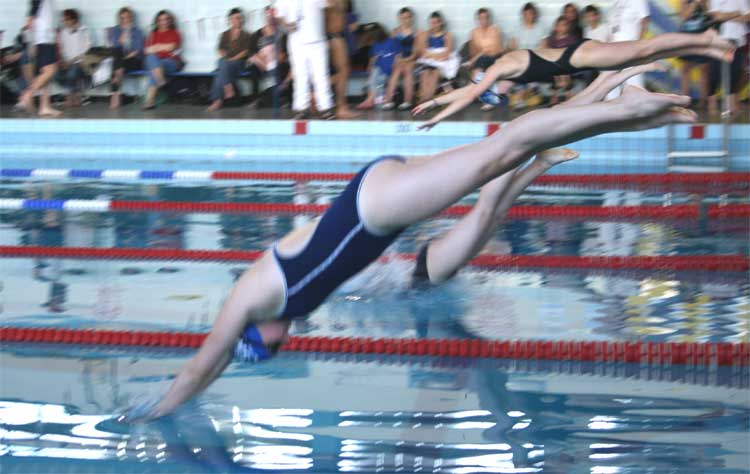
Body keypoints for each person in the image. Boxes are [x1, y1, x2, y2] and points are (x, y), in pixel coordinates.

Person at [121, 66, 698, 422]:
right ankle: (617, 105)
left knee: (503, 148)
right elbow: (213, 366)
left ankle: (624, 106)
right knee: (504, 155)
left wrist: (147, 415)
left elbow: (200, 367)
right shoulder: (275, 302)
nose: (284, 342)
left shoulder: (252, 297)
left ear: (256, 336)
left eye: (271, 348)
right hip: (376, 199)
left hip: (376, 208)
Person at [412, 29, 735, 128]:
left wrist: (437, 120)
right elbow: (468, 91)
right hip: (578, 57)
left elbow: (471, 94)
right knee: (643, 55)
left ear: (485, 71)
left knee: (645, 48)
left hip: (581, 56)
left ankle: (705, 38)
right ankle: (708, 49)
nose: (488, 88)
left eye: (484, 82)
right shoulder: (499, 71)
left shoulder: (498, 68)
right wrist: (432, 102)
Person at [276, 0, 335, 120]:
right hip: (296, 42)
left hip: (318, 41)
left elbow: (330, 4)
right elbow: (279, 17)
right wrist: (286, 26)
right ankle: (301, 109)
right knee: (300, 76)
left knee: (321, 76)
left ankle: (326, 109)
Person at [17, 0, 61, 117]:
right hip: (43, 39)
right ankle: (28, 94)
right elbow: (30, 19)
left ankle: (44, 107)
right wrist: (32, 43)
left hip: (47, 39)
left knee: (46, 75)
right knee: (50, 70)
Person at [707, 0, 749, 115]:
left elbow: (747, 17)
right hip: (719, 40)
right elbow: (716, 17)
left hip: (737, 41)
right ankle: (712, 103)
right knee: (715, 72)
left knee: (735, 72)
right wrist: (737, 13)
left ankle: (730, 106)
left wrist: (726, 16)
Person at [207, 8, 251, 112]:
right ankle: (228, 88)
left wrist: (233, 58)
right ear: (230, 20)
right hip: (226, 62)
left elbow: (246, 51)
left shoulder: (247, 35)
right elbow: (220, 49)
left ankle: (217, 101)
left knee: (221, 67)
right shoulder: (224, 34)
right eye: (235, 18)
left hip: (240, 62)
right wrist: (226, 57)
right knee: (221, 63)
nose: (238, 20)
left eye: (239, 18)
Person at [247, 5, 289, 107]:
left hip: (276, 62)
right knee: (253, 69)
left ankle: (276, 98)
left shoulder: (282, 34)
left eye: (272, 16)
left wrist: (273, 63)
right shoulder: (257, 34)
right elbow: (252, 53)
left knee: (283, 68)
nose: (270, 18)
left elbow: (284, 54)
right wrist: (264, 64)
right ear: (265, 17)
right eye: (268, 15)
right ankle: (256, 98)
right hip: (261, 63)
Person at [143, 10, 183, 110]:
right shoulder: (152, 34)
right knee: (151, 59)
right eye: (161, 20)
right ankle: (161, 81)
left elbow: (172, 47)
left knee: (154, 68)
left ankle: (149, 101)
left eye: (166, 19)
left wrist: (156, 47)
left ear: (170, 20)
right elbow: (146, 51)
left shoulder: (175, 33)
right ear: (157, 22)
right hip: (155, 62)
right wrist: (162, 47)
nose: (164, 22)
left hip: (171, 62)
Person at [466, 8, 505, 111]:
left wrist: (482, 52)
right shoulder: (474, 32)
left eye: (486, 17)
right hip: (481, 59)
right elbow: (472, 52)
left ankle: (487, 100)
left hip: (495, 57)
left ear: (489, 18)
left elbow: (497, 49)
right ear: (478, 19)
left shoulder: (495, 29)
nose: (484, 20)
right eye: (481, 18)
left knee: (481, 68)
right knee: (477, 72)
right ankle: (485, 99)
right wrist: (481, 53)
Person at [326, 0, 359, 118]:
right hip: (333, 36)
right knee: (344, 71)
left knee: (344, 72)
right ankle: (341, 107)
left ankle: (318, 91)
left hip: (337, 36)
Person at [608, 0, 650, 93]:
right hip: (614, 50)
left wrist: (639, 45)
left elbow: (645, 20)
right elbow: (613, 27)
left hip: (631, 49)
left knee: (633, 84)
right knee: (612, 86)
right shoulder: (616, 2)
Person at [416, 11, 458, 104]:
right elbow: (422, 52)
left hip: (443, 62)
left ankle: (428, 101)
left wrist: (431, 55)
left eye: (436, 22)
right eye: (432, 23)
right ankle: (423, 100)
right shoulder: (426, 34)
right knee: (425, 73)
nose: (434, 25)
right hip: (429, 61)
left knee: (435, 73)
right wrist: (433, 55)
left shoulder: (448, 35)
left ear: (441, 22)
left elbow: (447, 53)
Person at [381, 7, 418, 111]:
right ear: (400, 19)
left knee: (408, 70)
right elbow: (392, 49)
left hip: (412, 58)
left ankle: (408, 101)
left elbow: (416, 52)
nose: (406, 20)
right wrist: (397, 59)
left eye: (408, 17)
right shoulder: (395, 32)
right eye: (403, 18)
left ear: (412, 18)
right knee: (396, 71)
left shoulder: (417, 32)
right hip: (399, 58)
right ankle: (388, 101)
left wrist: (407, 60)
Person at [108, 7, 145, 110]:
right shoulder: (115, 30)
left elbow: (138, 50)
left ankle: (114, 96)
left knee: (116, 66)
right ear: (119, 19)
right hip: (120, 60)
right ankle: (116, 95)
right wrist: (121, 38)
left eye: (127, 17)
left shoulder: (137, 31)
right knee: (117, 55)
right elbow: (114, 48)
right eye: (122, 18)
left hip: (134, 60)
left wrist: (123, 59)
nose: (125, 20)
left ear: (131, 18)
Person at [356, 25, 400, 109]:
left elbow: (397, 55)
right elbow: (374, 57)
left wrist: (395, 65)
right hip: (378, 66)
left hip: (388, 67)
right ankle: (372, 99)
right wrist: (370, 66)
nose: (372, 40)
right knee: (372, 81)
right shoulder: (375, 44)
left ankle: (374, 99)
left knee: (380, 82)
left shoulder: (392, 41)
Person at [56, 9, 90, 108]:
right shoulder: (63, 32)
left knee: (72, 72)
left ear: (74, 19)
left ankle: (70, 97)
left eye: (67, 19)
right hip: (67, 62)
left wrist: (72, 61)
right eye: (64, 20)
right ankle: (76, 95)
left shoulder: (83, 31)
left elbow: (87, 50)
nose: (64, 22)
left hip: (80, 62)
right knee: (56, 74)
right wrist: (63, 61)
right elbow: (62, 50)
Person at [543, 17, 579, 104]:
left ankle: (568, 94)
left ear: (568, 27)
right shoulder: (551, 39)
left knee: (564, 73)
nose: (562, 27)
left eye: (565, 25)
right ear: (555, 27)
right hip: (554, 62)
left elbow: (573, 51)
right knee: (556, 72)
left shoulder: (571, 39)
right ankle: (555, 95)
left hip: (567, 62)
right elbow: (547, 50)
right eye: (559, 25)